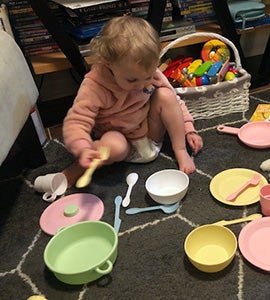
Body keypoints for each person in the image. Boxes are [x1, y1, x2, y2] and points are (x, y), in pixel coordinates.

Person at [61, 16, 203, 187]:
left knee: (166, 95)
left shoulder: (148, 73)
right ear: (108, 62)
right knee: (113, 144)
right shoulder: (94, 85)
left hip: (151, 134)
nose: (142, 84)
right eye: (132, 80)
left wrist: (189, 129)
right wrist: (83, 148)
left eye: (148, 77)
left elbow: (175, 102)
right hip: (122, 144)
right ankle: (81, 165)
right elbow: (76, 122)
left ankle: (179, 151)